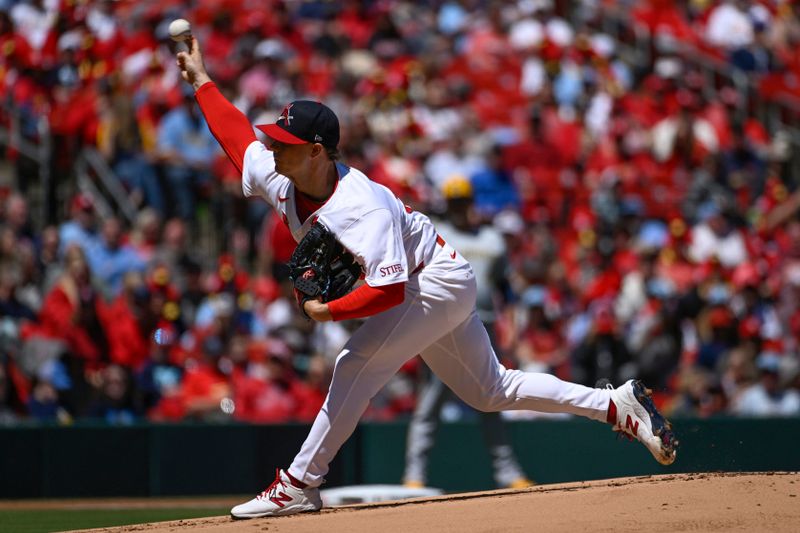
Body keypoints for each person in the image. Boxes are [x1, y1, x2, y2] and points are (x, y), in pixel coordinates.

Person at [175, 36, 678, 519]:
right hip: (436, 277)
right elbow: (238, 140)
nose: (273, 148)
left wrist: (325, 310)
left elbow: (388, 290)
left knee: (356, 364)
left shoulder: (361, 206)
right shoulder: (284, 177)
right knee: (490, 390)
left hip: (431, 279)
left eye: (285, 142)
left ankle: (300, 484)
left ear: (317, 152)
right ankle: (615, 405)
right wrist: (202, 81)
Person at [403, 176, 532, 490]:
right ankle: (414, 476)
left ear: (471, 203)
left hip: (483, 324)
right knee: (431, 401)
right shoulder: (436, 233)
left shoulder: (492, 239)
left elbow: (506, 289)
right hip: (441, 327)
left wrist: (512, 328)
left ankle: (507, 473)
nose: (458, 208)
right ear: (447, 205)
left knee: (493, 398)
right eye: (453, 203)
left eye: (463, 202)